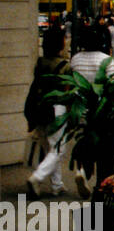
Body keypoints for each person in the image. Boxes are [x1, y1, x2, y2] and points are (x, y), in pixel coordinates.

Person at [25, 26, 73, 198]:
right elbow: (67, 91)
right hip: (57, 108)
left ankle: (57, 185)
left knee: (49, 147)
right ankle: (36, 177)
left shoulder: (40, 62)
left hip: (40, 107)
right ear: (60, 43)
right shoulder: (65, 66)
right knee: (58, 149)